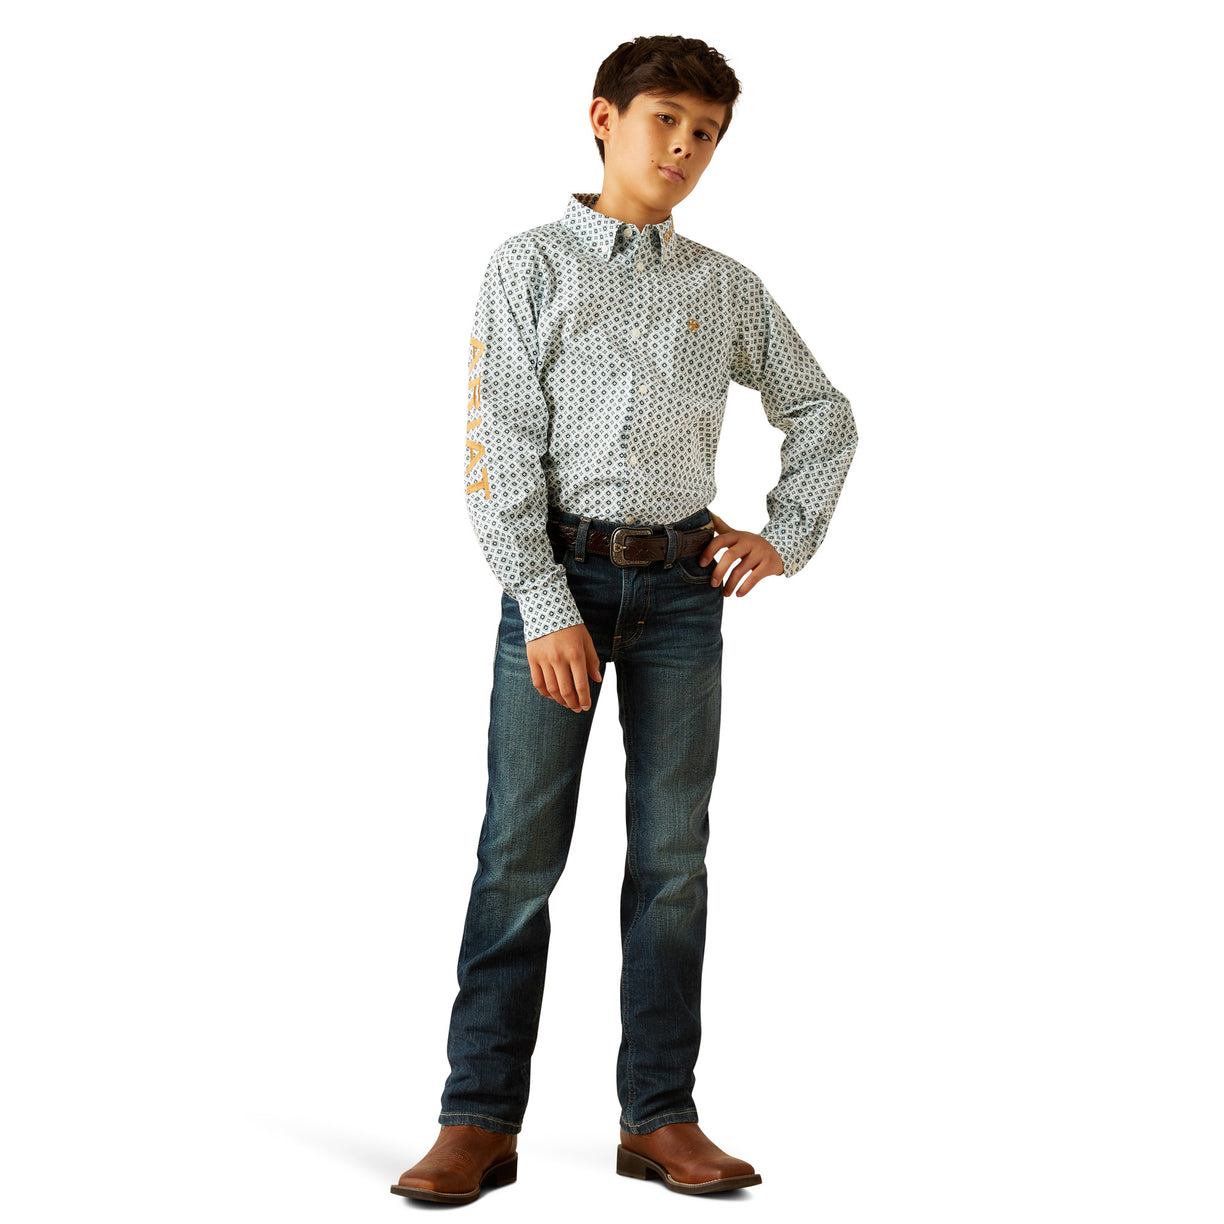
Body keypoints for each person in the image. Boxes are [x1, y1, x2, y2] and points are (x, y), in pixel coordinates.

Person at [392, 33, 858, 1204]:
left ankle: (659, 1115)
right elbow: (497, 448)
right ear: (604, 118)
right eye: (666, 122)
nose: (685, 148)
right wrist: (544, 602)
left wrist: (783, 534)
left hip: (683, 598)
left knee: (671, 861)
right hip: (559, 584)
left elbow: (824, 411)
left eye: (707, 133)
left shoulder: (724, 287)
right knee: (518, 854)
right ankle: (476, 1117)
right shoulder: (530, 265)